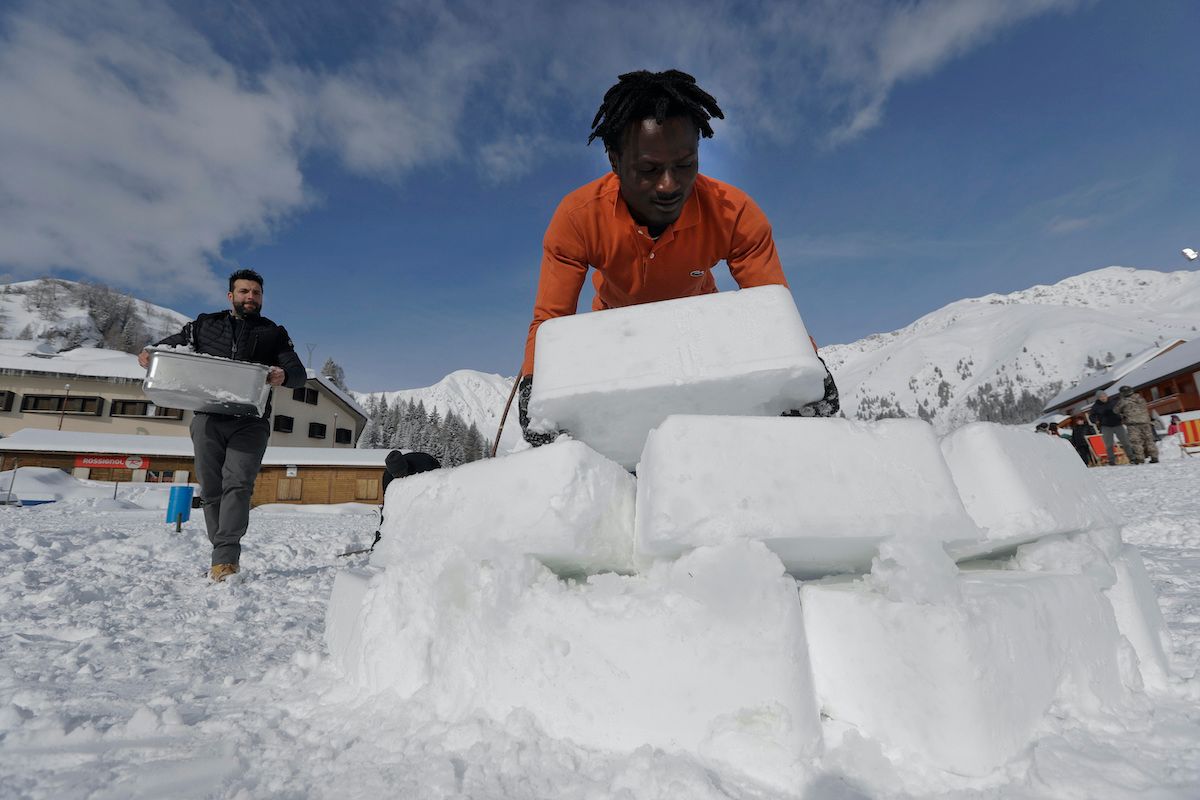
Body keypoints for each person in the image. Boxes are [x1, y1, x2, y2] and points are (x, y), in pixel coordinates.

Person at [517, 69, 838, 444]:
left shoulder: (735, 214)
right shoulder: (576, 218)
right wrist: (534, 381)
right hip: (616, 337)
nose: (669, 185)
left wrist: (807, 365)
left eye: (685, 164)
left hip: (704, 335)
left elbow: (774, 309)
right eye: (649, 170)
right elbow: (551, 318)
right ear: (615, 160)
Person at [139, 269, 306, 582]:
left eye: (256, 293)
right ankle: (221, 552)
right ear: (231, 295)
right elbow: (170, 347)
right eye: (244, 292)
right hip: (208, 418)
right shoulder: (205, 325)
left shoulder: (273, 333)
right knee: (212, 489)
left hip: (251, 421)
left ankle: (226, 558)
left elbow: (297, 373)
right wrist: (148, 353)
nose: (250, 298)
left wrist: (284, 375)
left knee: (238, 484)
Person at [1113, 386, 1159, 464]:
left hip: (1133, 424)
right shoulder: (1140, 398)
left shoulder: (1123, 401)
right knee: (1149, 440)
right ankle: (1154, 457)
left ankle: (1140, 458)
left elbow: (1115, 410)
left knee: (1136, 441)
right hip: (1145, 422)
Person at [1089, 390, 1133, 466]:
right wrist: (1097, 419)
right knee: (1108, 445)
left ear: (1106, 396)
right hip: (1106, 426)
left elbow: (1122, 410)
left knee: (1125, 442)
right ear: (1098, 398)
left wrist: (1122, 416)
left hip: (1118, 424)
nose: (1103, 398)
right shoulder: (1095, 406)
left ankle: (1132, 457)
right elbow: (1092, 416)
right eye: (1101, 397)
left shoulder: (1113, 402)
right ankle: (1111, 460)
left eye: (1104, 396)